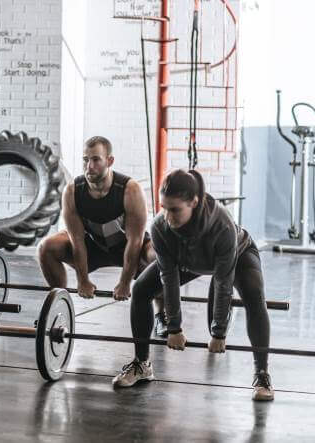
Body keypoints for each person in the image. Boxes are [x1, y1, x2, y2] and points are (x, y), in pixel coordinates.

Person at [113, 169, 274, 401]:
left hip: (238, 255)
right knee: (141, 289)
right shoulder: (160, 227)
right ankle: (142, 364)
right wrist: (174, 328)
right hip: (189, 260)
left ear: (194, 202)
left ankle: (262, 375)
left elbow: (223, 281)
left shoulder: (222, 225)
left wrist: (218, 333)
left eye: (175, 209)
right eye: (164, 208)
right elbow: (168, 278)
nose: (168, 216)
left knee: (254, 295)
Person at [37, 136, 167, 336]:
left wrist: (125, 282)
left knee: (159, 257)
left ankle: (162, 315)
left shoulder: (130, 190)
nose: (89, 166)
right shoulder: (72, 191)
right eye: (85, 160)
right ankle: (58, 306)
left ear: (110, 161)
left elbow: (135, 241)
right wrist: (82, 280)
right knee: (47, 247)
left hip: (127, 247)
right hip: (93, 247)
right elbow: (77, 240)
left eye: (96, 160)